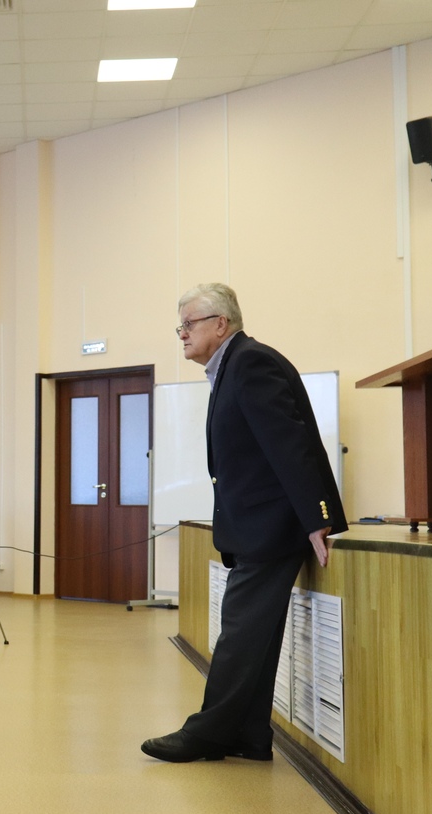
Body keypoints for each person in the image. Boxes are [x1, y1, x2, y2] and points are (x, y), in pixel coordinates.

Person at [142, 283, 347, 763]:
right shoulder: (232, 366)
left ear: (221, 324)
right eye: (179, 326)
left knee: (239, 633)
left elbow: (289, 443)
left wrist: (317, 517)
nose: (182, 333)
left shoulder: (250, 363)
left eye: (189, 324)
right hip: (260, 525)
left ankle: (208, 733)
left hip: (270, 528)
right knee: (256, 636)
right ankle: (249, 734)